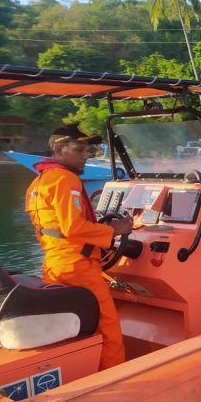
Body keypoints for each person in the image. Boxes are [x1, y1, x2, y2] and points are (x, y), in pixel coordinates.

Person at [25, 124, 132, 369]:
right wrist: (115, 229)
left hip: (54, 266)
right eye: (80, 149)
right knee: (109, 329)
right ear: (60, 149)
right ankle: (115, 376)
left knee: (80, 328)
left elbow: (52, 231)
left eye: (88, 150)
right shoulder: (66, 179)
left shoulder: (39, 183)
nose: (86, 155)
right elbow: (73, 228)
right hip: (80, 268)